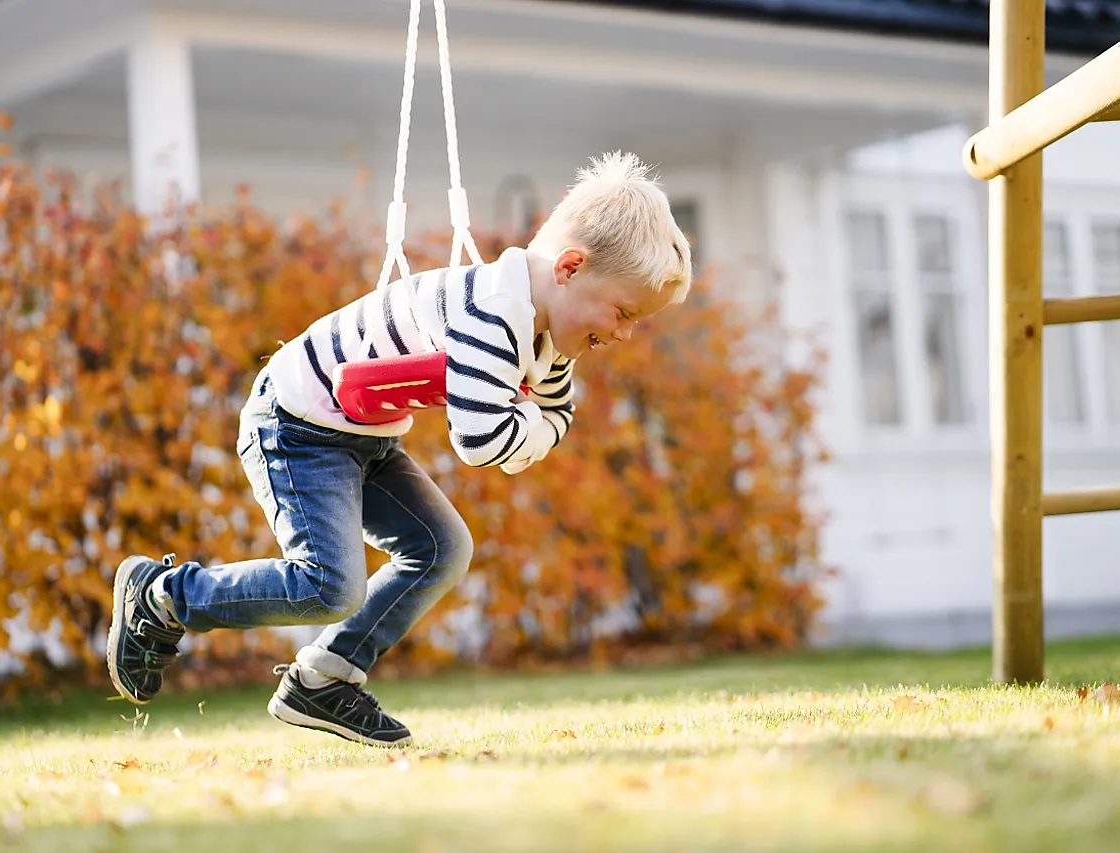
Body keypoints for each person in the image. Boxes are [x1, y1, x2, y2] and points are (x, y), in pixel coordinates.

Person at [105, 151, 694, 747]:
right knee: (328, 586)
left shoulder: (546, 335)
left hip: (364, 436)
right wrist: (532, 421)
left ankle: (325, 679)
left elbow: (556, 411)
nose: (622, 335)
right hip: (295, 422)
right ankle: (163, 597)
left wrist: (535, 419)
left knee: (441, 548)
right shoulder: (490, 315)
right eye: (623, 313)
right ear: (569, 267)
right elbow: (485, 441)